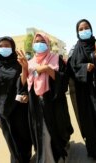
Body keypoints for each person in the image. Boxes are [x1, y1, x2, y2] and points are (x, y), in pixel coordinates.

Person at [17, 32, 73, 163]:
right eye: (36, 42)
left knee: (54, 132)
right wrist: (24, 68)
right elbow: (23, 85)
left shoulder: (55, 59)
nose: (39, 44)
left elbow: (64, 80)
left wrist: (48, 69)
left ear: (47, 44)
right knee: (41, 134)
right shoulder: (29, 62)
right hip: (36, 105)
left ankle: (58, 155)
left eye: (42, 42)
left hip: (53, 103)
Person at [67, 19, 96, 162]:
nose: (84, 30)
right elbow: (71, 70)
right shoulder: (74, 50)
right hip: (83, 93)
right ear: (77, 32)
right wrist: (84, 68)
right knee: (89, 121)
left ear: (91, 29)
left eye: (86, 27)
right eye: (81, 29)